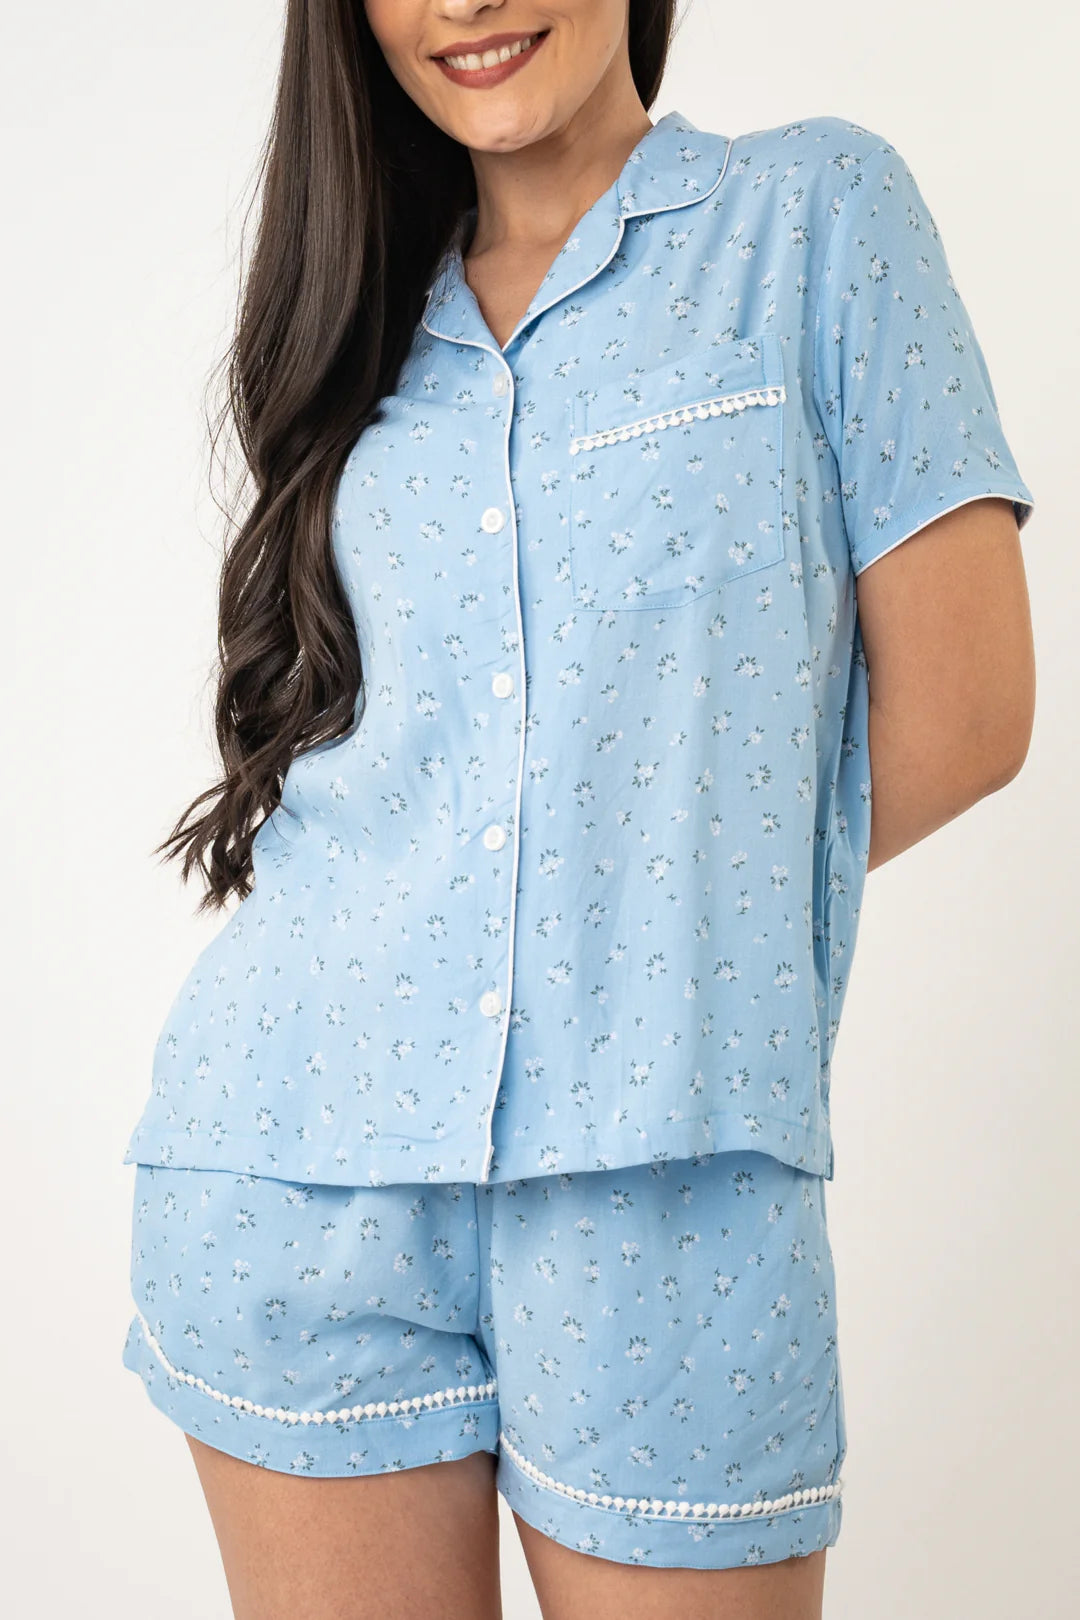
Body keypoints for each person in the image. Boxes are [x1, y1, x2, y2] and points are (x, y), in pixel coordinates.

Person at [118, 3, 1037, 1616]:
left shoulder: (814, 218)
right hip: (296, 1160)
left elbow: (968, 714)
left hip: (673, 1182)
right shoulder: (361, 320)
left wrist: (642, 928)